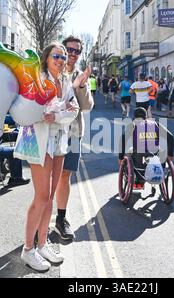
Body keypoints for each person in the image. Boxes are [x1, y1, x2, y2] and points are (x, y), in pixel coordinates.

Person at [19, 42, 80, 272]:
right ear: (46, 58)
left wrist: (57, 115)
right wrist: (51, 113)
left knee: (51, 196)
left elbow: (73, 110)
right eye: (57, 55)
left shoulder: (65, 81)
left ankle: (43, 244)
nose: (61, 60)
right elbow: (29, 110)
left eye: (64, 57)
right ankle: (28, 249)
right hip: (38, 140)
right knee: (42, 196)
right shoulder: (36, 77)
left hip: (59, 141)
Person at [55, 36, 94, 241]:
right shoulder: (53, 68)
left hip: (73, 133)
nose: (72, 54)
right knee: (48, 176)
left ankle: (61, 219)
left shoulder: (80, 75)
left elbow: (87, 106)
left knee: (64, 176)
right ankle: (40, 222)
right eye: (69, 49)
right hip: (51, 131)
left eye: (77, 51)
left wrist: (81, 86)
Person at [119, 107, 174, 188]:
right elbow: (171, 137)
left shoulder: (133, 125)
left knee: (129, 152)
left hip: (139, 155)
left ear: (134, 117)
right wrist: (171, 154)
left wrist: (120, 158)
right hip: (155, 153)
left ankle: (138, 180)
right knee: (161, 151)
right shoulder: (156, 124)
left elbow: (123, 139)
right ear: (146, 117)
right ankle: (161, 171)